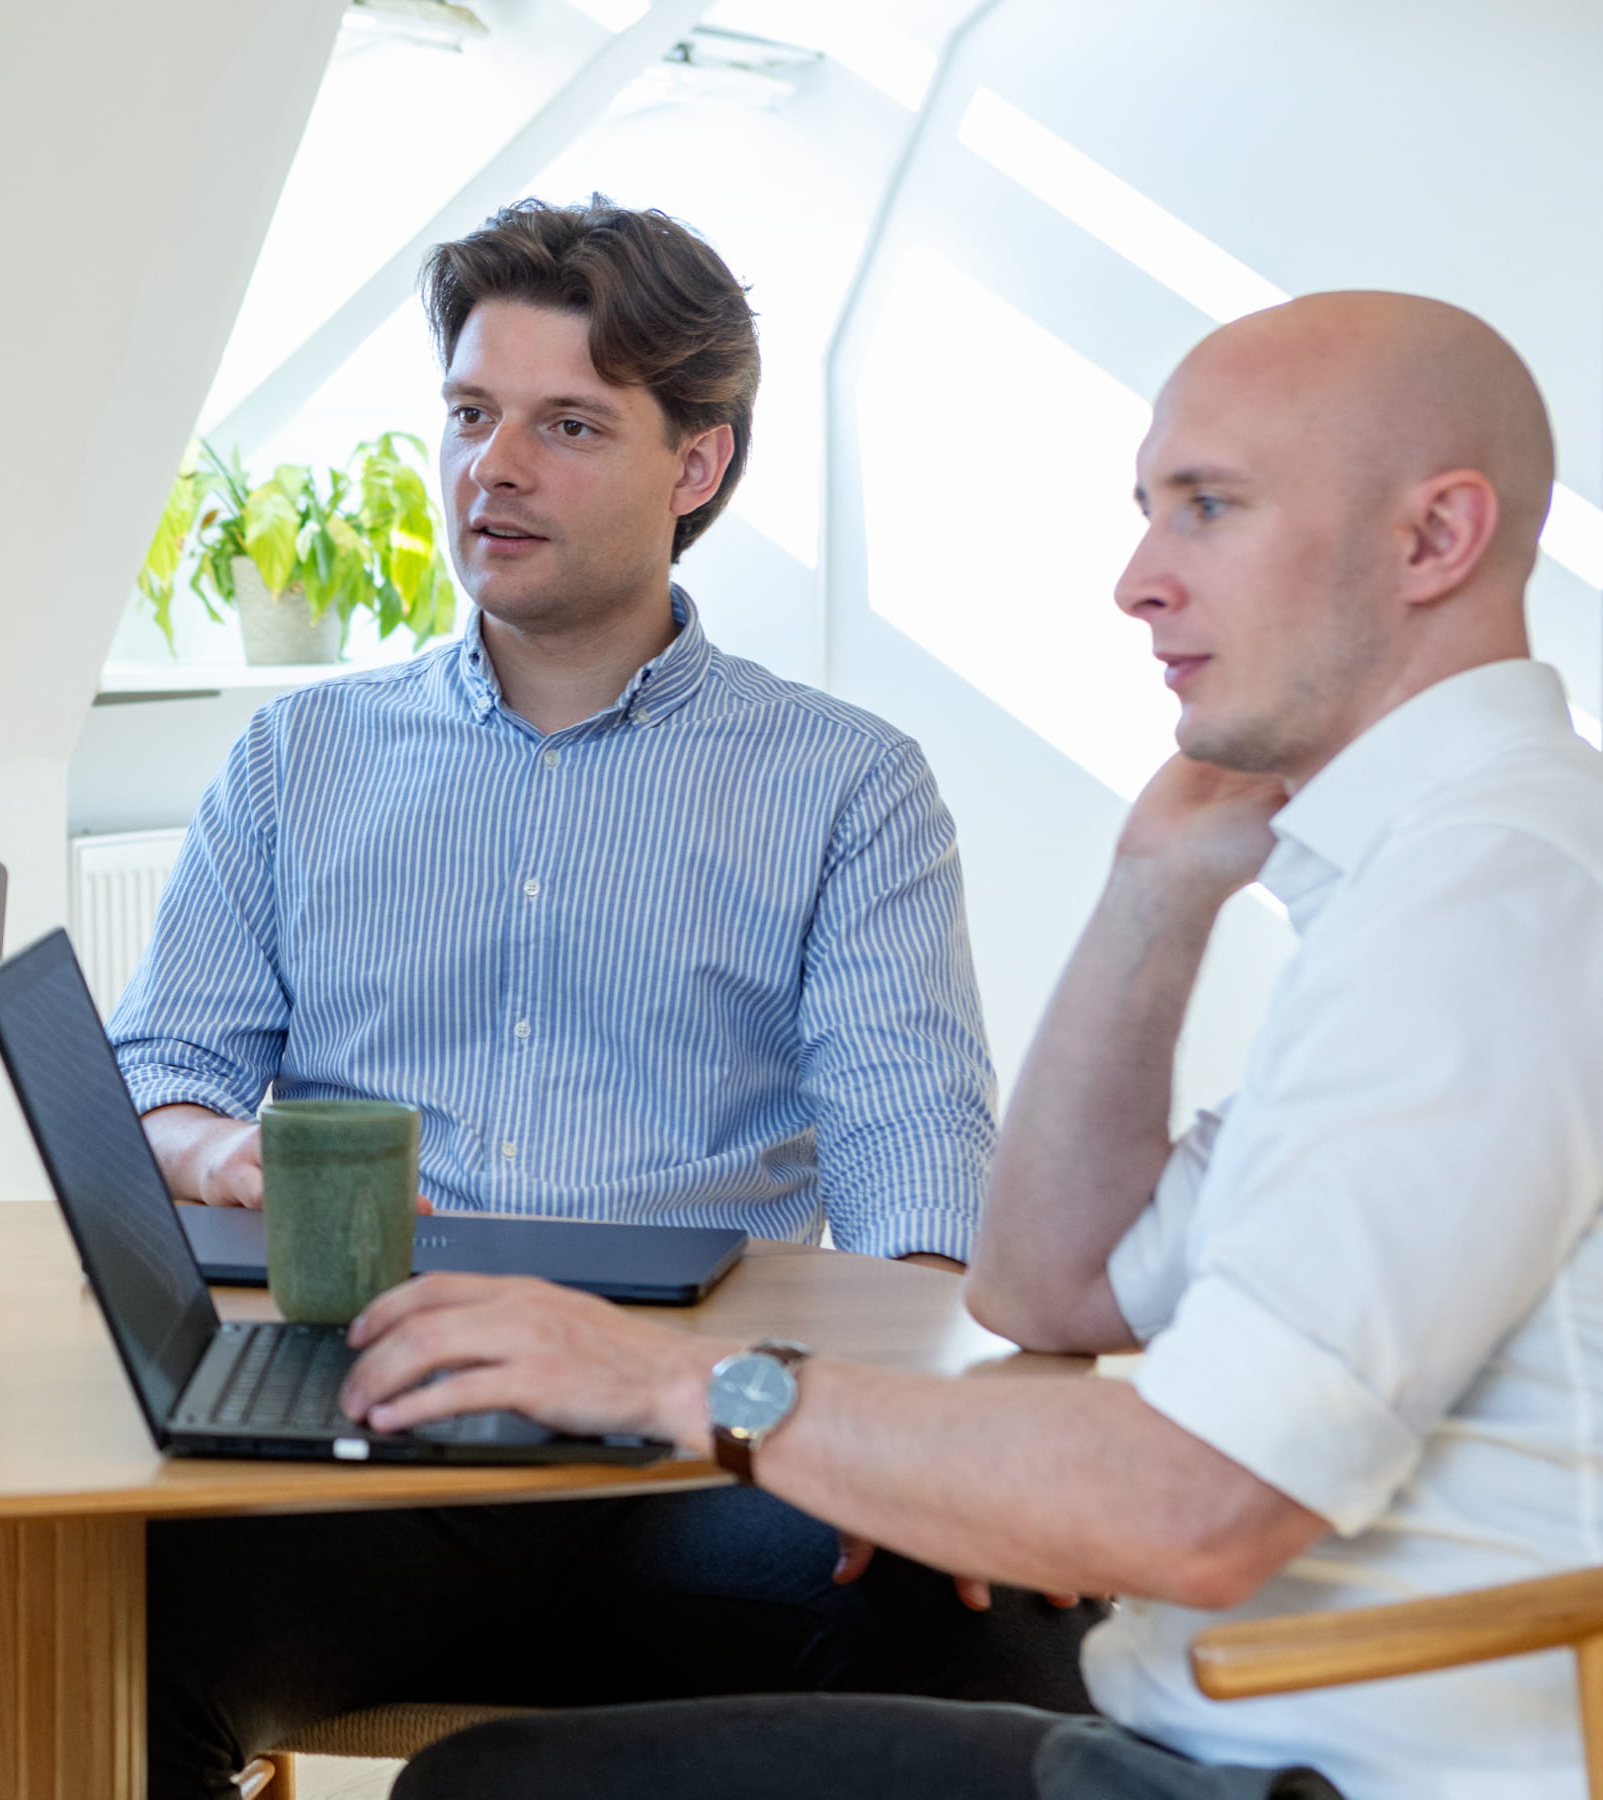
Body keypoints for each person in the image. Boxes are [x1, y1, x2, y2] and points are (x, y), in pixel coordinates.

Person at [372, 290, 1590, 1800]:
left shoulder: (1488, 909)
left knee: (495, 1792)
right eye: (1151, 511)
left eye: (1206, 508)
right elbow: (1050, 1289)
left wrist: (686, 1382)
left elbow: (1201, 1508)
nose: (1137, 582)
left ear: (1434, 541)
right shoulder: (1443, 878)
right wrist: (1154, 896)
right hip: (1214, 1723)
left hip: (1304, 1768)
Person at [123, 199, 1070, 1798]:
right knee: (82, 1631)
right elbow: (162, 1074)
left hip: (706, 1457)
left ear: (695, 465)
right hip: (381, 1439)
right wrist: (222, 1152)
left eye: (568, 426)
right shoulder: (297, 763)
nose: (495, 468)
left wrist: (899, 1439)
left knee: (1012, 1631)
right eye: (473, 415)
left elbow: (919, 1177)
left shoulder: (846, 784)